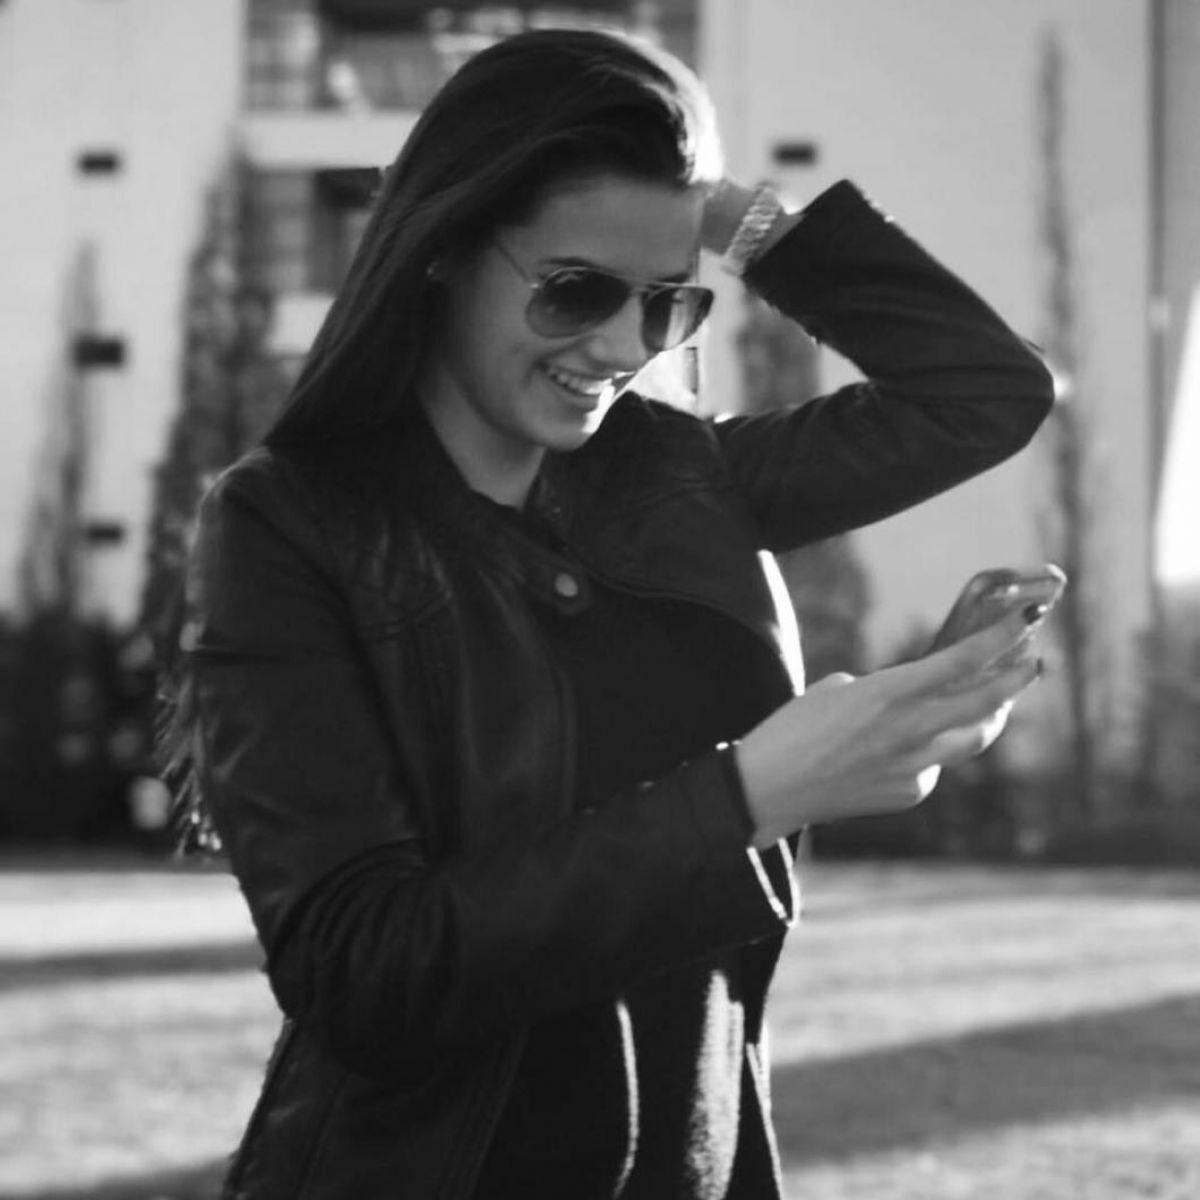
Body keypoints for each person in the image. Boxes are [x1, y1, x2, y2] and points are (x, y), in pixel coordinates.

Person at [171, 26, 1054, 1200]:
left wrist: (732, 214)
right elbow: (365, 976)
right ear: (441, 247)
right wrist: (752, 796)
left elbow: (986, 392)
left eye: (666, 303)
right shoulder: (287, 526)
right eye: (575, 290)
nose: (623, 346)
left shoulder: (684, 476)